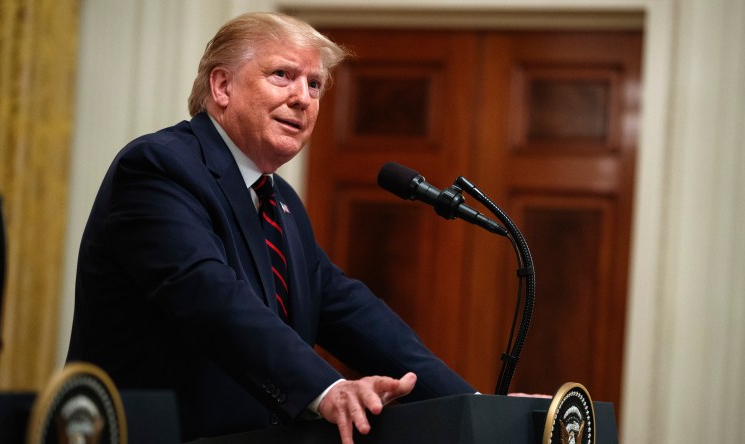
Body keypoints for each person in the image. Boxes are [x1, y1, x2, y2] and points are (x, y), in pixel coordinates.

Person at [66, 11, 475, 443]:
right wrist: (328, 389)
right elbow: (209, 295)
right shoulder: (158, 167)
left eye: (314, 84)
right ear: (222, 86)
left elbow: (349, 310)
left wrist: (474, 405)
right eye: (283, 75)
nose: (303, 98)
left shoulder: (280, 201)